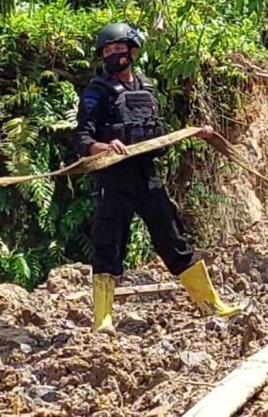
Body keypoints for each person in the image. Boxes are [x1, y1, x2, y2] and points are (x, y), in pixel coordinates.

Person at [75, 22, 241, 332]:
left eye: (117, 48)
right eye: (107, 51)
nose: (113, 54)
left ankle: (210, 305)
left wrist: (196, 132)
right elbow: (82, 140)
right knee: (108, 244)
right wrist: (104, 146)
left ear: (132, 50)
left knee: (173, 237)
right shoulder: (96, 93)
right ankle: (103, 320)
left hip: (147, 176)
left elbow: (159, 132)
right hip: (114, 179)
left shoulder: (147, 88)